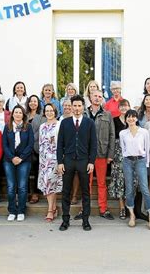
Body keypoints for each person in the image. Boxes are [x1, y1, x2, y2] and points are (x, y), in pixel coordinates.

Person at [57, 95, 97, 231]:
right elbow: (59, 144)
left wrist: (91, 162)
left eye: (80, 106)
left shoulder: (89, 123)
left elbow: (93, 145)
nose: (77, 108)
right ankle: (65, 220)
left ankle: (85, 220)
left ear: (83, 107)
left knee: (86, 192)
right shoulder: (65, 122)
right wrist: (60, 162)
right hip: (68, 160)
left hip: (84, 161)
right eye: (75, 105)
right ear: (71, 106)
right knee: (66, 191)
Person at [120, 109, 150, 230]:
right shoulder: (122, 133)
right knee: (129, 189)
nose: (131, 119)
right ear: (126, 119)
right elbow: (122, 148)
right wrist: (127, 157)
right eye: (128, 117)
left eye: (133, 117)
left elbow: (148, 148)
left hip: (141, 160)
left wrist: (147, 163)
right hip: (127, 161)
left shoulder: (144, 132)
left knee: (145, 189)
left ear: (136, 118)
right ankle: (132, 215)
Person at [85, 90, 115, 220]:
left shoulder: (107, 115)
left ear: (102, 99)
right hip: (86, 155)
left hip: (102, 154)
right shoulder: (83, 113)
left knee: (102, 183)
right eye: (95, 96)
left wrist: (110, 154)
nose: (97, 98)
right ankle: (84, 209)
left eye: (100, 97)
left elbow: (112, 135)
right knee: (86, 183)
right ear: (90, 97)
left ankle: (103, 209)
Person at [3, 105, 34, 222]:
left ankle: (21, 210)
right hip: (9, 161)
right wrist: (12, 158)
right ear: (12, 114)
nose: (17, 114)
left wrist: (21, 158)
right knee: (11, 187)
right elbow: (4, 145)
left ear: (23, 115)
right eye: (16, 112)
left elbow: (30, 144)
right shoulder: (7, 127)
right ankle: (12, 210)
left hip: (24, 160)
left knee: (22, 187)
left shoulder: (28, 127)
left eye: (20, 113)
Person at [38, 104, 62, 222]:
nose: (49, 113)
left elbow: (62, 143)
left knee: (51, 183)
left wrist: (60, 160)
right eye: (47, 111)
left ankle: (50, 210)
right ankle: (53, 207)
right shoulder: (42, 126)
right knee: (47, 183)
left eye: (51, 110)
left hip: (55, 159)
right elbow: (41, 143)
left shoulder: (59, 124)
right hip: (44, 160)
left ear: (55, 111)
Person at [109, 99, 130, 220]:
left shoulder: (132, 119)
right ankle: (122, 207)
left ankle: (129, 206)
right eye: (121, 106)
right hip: (117, 153)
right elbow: (112, 137)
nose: (123, 108)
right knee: (119, 180)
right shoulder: (114, 120)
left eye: (126, 106)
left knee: (129, 179)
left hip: (130, 153)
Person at [26, 94, 46, 204]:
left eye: (35, 101)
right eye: (31, 101)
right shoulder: (25, 115)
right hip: (25, 148)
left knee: (37, 170)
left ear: (38, 103)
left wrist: (30, 139)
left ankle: (35, 193)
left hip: (37, 147)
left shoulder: (42, 116)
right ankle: (28, 191)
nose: (33, 103)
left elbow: (41, 131)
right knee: (27, 171)